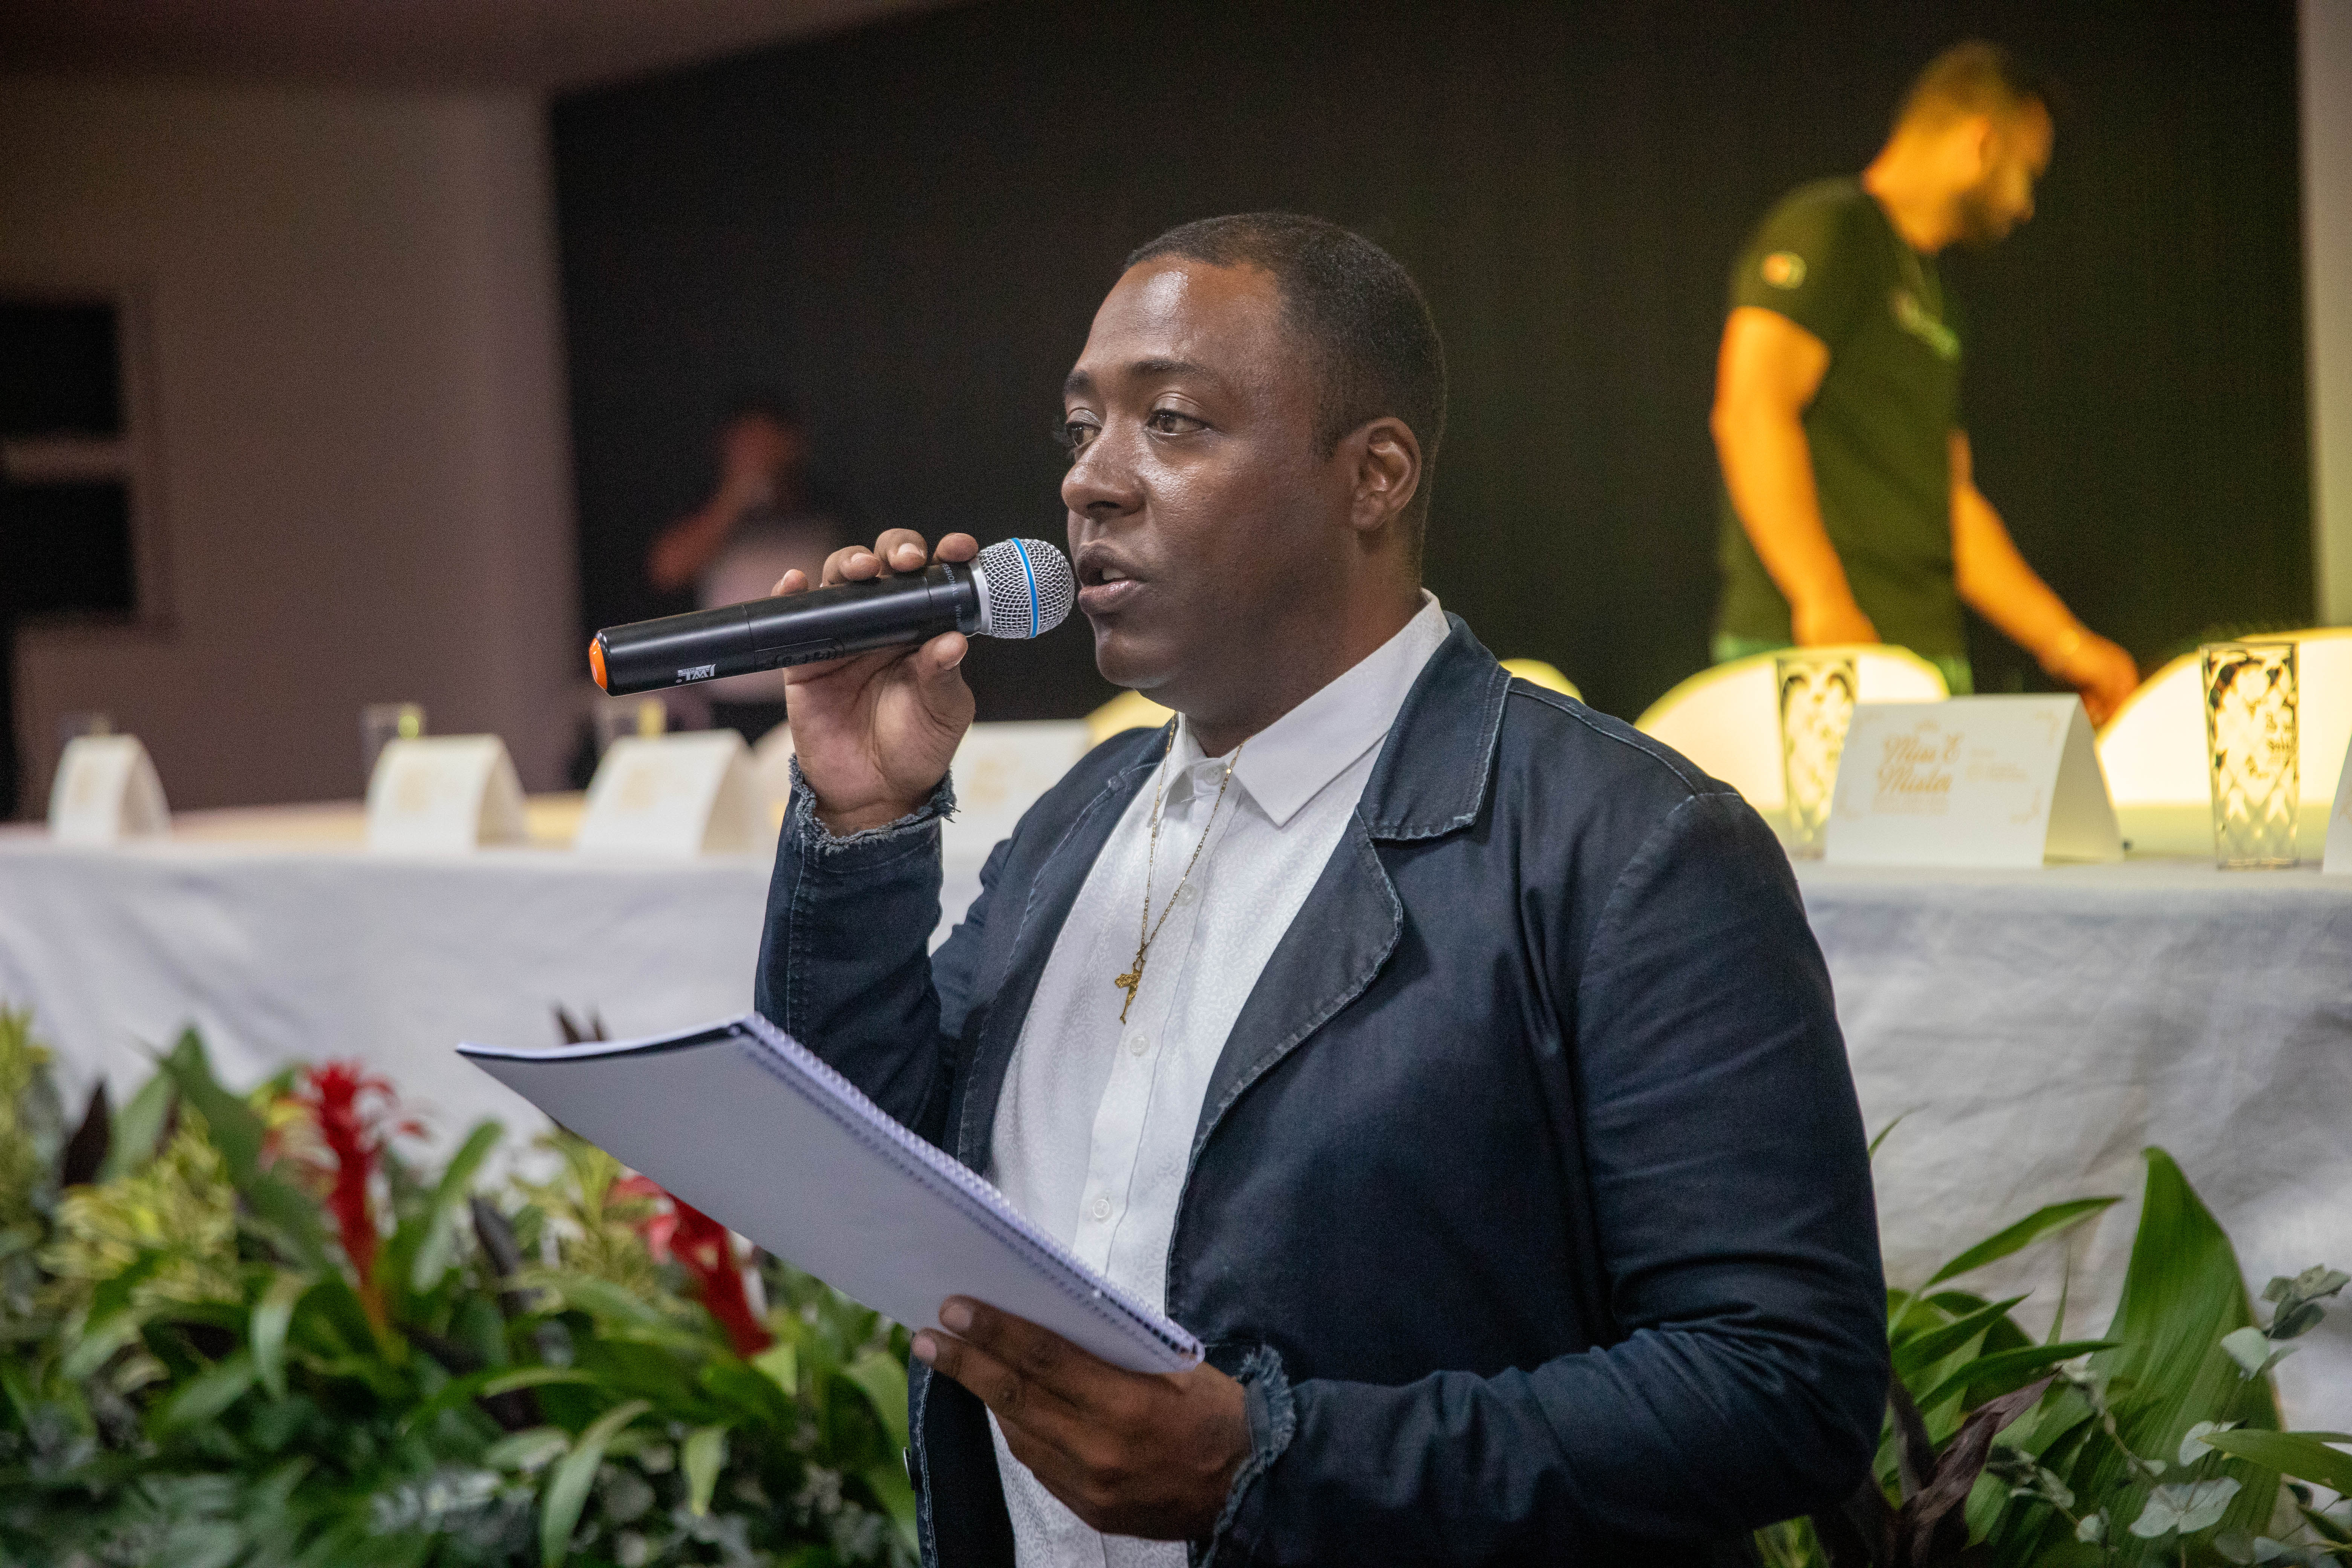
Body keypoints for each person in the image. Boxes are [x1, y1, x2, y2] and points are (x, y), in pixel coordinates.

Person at [755, 214, 1887, 1565]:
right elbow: (869, 1172)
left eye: (1171, 422)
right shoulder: (1083, 815)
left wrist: (1271, 1466)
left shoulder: (1629, 845)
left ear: (1374, 477)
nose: (1090, 484)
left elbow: (1779, 1384)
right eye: (1082, 429)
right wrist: (863, 817)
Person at [1711, 41, 2141, 721]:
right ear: (1981, 143)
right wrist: (1823, 601)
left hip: (1923, 655)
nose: (2027, 205)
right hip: (1817, 658)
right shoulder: (1830, 228)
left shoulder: (1937, 297)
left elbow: (1950, 502)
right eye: (2027, 173)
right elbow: (1751, 412)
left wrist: (2066, 642)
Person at [645, 391, 856, 740]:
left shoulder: (824, 510)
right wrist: (736, 498)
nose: (757, 455)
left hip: (814, 689)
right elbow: (667, 570)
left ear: (792, 444)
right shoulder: (705, 509)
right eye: (745, 445)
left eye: (766, 443)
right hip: (728, 697)